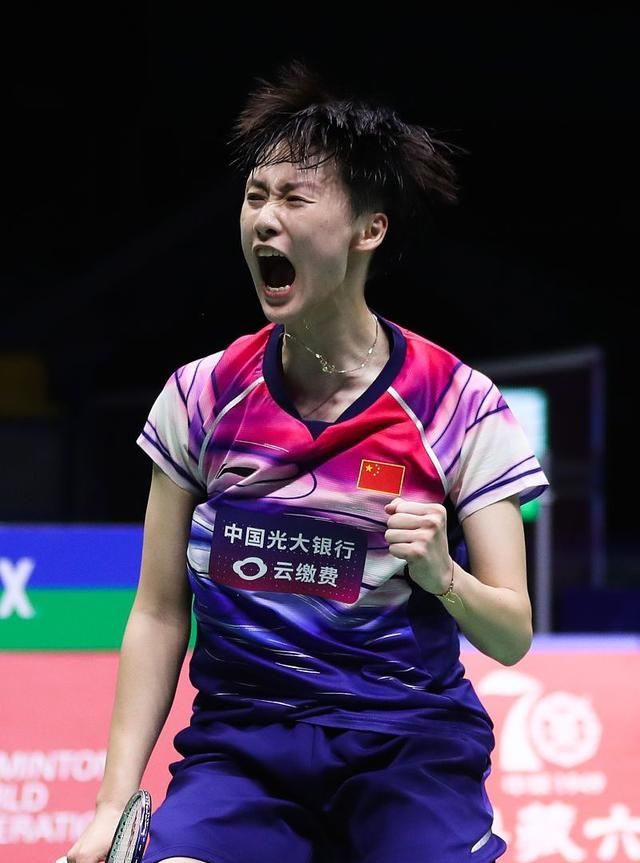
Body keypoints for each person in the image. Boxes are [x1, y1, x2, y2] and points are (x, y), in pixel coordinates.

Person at [66, 60, 548, 863]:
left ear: (369, 229)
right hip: (243, 751)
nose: (264, 219)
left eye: (294, 198)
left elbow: (512, 633)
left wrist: (444, 576)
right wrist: (112, 806)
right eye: (255, 196)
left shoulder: (457, 405)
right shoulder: (201, 397)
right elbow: (157, 611)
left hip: (406, 748)